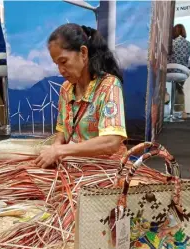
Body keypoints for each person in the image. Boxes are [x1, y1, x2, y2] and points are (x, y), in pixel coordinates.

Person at [35, 24, 127, 169]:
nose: (61, 70)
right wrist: (56, 146)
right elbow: (62, 130)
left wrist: (60, 150)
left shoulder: (108, 86)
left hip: (106, 171)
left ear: (83, 53)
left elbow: (112, 141)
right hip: (75, 168)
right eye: (57, 64)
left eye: (63, 62)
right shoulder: (66, 89)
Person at [167, 24, 190, 120]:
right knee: (179, 88)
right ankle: (181, 112)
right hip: (182, 72)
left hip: (169, 71)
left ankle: (168, 108)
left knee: (166, 86)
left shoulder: (171, 43)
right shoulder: (188, 44)